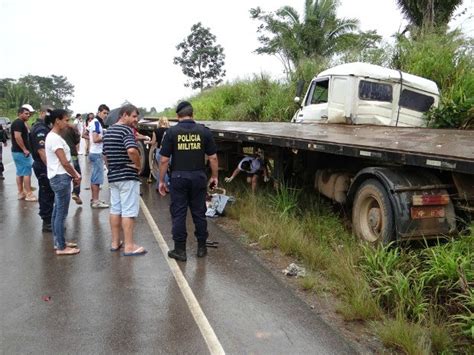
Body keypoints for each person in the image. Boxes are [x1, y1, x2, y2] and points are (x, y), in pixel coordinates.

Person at [158, 101, 218, 261]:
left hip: (178, 178)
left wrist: (161, 180)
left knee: (179, 213)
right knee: (199, 213)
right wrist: (214, 176)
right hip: (198, 177)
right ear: (192, 114)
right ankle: (201, 248)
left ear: (178, 116)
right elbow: (213, 157)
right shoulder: (204, 131)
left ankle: (180, 250)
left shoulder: (172, 132)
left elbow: (164, 160)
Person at [103, 104, 147, 256]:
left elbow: (105, 155)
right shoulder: (126, 130)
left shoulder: (108, 132)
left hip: (113, 176)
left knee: (115, 209)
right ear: (124, 115)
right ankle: (129, 246)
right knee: (128, 211)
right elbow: (131, 150)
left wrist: (112, 168)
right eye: (134, 116)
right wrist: (138, 165)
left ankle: (115, 242)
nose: (136, 119)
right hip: (127, 176)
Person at [45, 109, 81, 255]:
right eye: (66, 120)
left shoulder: (54, 137)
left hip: (58, 176)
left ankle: (58, 241)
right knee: (61, 213)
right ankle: (61, 246)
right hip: (61, 177)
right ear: (57, 121)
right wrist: (75, 175)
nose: (68, 123)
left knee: (57, 210)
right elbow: (65, 162)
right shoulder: (54, 138)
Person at [30, 106, 55, 232]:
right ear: (42, 113)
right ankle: (47, 221)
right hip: (43, 165)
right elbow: (42, 151)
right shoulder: (40, 128)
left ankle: (49, 219)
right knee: (46, 192)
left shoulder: (45, 127)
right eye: (48, 113)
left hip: (43, 165)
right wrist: (51, 168)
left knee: (48, 192)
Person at [11, 104, 37, 201]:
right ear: (19, 114)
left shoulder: (22, 123)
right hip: (21, 152)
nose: (28, 115)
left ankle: (21, 192)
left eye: (29, 114)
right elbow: (17, 136)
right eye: (26, 114)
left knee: (20, 172)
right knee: (27, 172)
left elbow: (28, 132)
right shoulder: (18, 123)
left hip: (18, 152)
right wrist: (24, 149)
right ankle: (29, 194)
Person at [87, 104, 109, 208]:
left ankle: (95, 199)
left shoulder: (95, 123)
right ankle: (95, 201)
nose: (105, 115)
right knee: (97, 178)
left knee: (95, 177)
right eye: (104, 113)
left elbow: (85, 134)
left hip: (94, 151)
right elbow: (96, 139)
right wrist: (106, 136)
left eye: (107, 113)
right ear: (99, 112)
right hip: (96, 153)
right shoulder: (96, 123)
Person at [61, 119, 83, 205]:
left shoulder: (56, 130)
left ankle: (62, 196)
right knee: (77, 175)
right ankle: (75, 192)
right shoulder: (71, 128)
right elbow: (77, 140)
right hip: (72, 154)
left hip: (61, 155)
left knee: (64, 175)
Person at [150, 116, 170, 190]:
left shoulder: (156, 131)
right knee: (168, 169)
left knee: (161, 169)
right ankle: (167, 185)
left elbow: (153, 142)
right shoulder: (170, 130)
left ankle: (161, 186)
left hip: (159, 151)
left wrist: (147, 141)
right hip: (169, 151)